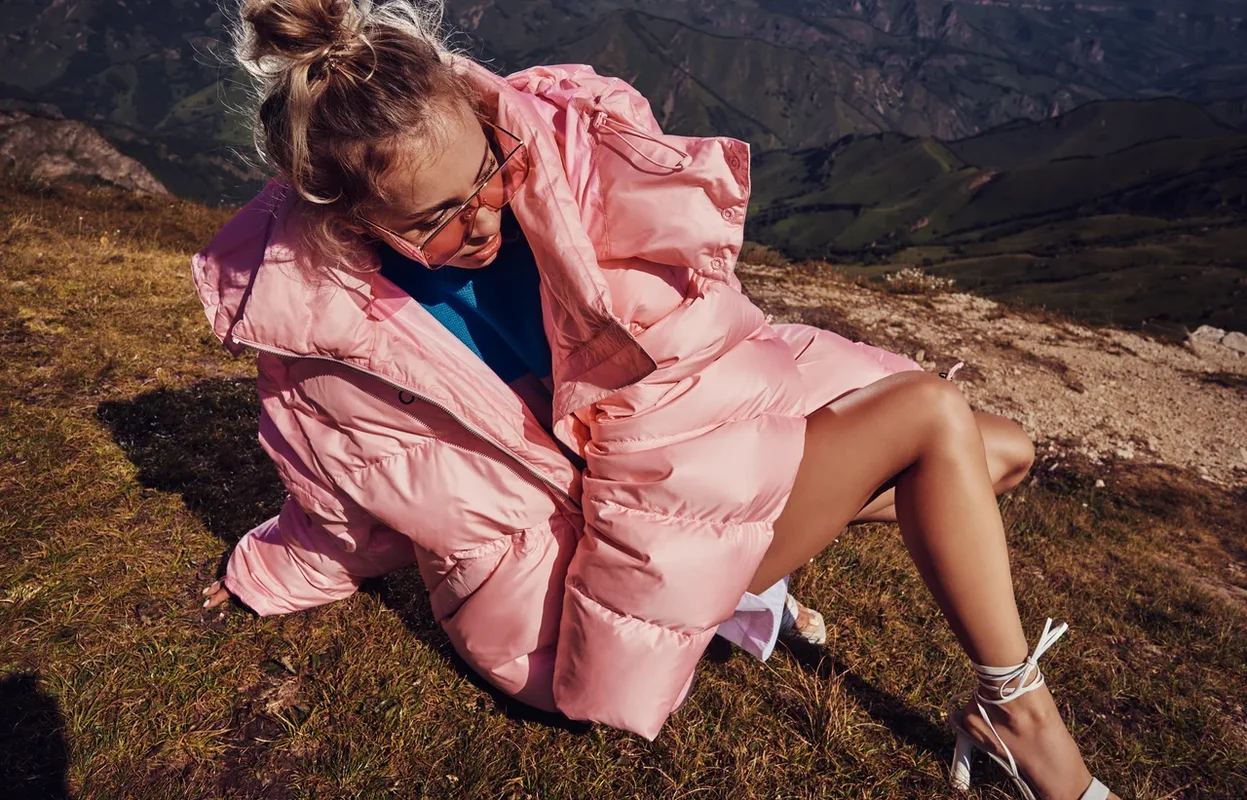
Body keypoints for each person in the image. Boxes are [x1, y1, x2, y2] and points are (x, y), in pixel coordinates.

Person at [192, 2, 1113, 797]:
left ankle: (741, 572)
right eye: (434, 217)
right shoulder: (331, 345)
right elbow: (347, 503)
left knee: (1000, 452)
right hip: (568, 598)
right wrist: (265, 572)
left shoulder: (567, 170)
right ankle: (1017, 717)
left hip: (664, 471)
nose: (480, 221)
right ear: (349, 219)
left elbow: (694, 354)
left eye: (485, 177)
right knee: (928, 418)